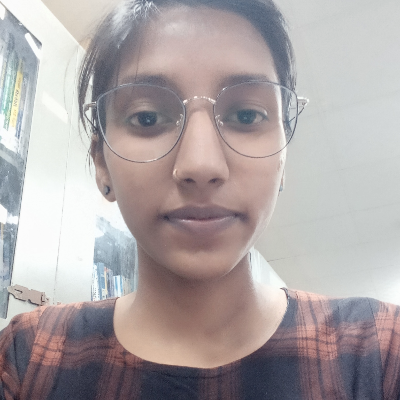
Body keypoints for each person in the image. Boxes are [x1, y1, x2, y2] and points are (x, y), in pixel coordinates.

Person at [1, 0, 400, 399]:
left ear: (283, 158)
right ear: (101, 163)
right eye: (147, 117)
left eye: (246, 116)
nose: (201, 165)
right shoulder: (31, 356)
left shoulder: (378, 352)